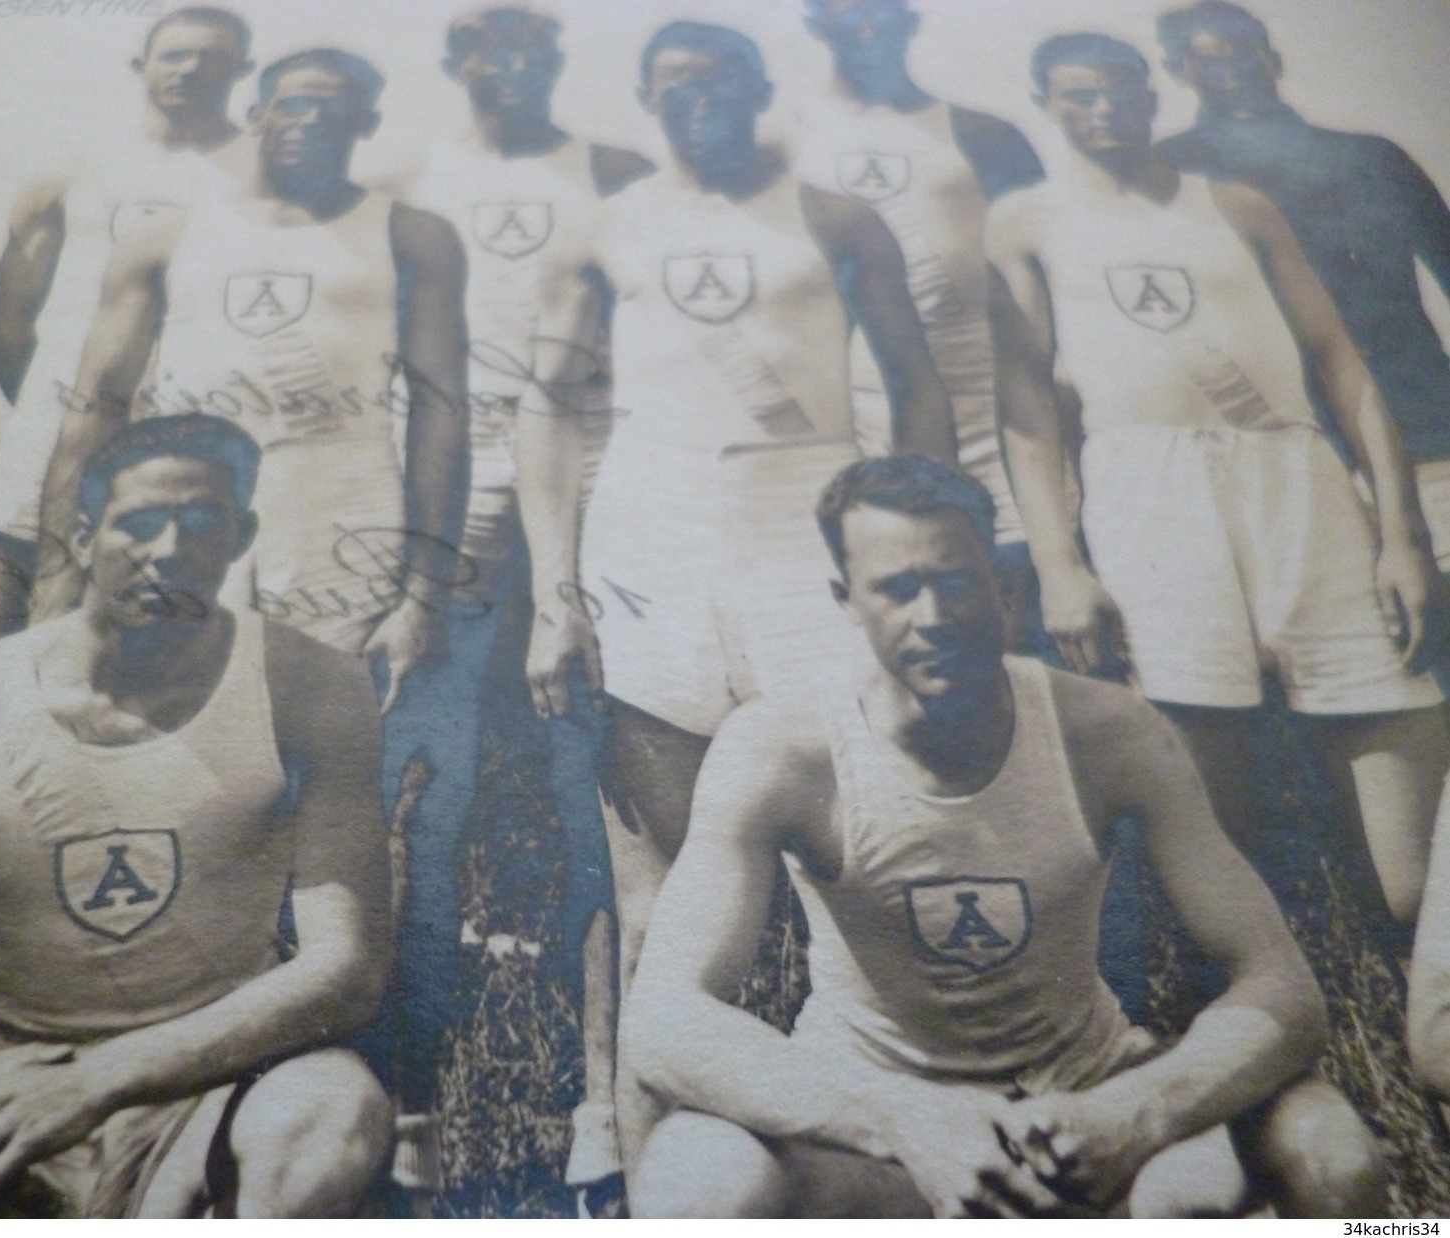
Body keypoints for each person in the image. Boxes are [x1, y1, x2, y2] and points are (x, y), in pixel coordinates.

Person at [624, 454, 1384, 1218]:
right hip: (877, 1129)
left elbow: (1284, 989)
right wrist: (895, 1116)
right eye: (895, 589)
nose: (932, 616)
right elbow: (663, 1022)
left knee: (1327, 1154)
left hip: (1084, 1112)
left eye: (954, 579)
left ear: (1005, 584)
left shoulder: (1107, 732)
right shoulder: (781, 749)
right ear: (844, 600)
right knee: (697, 1176)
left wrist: (1136, 1114)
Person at [519, 19, 954, 1165]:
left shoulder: (837, 216)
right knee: (652, 874)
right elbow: (549, 411)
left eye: (718, 83)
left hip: (805, 543)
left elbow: (914, 384)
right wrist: (551, 593)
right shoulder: (603, 231)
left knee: (856, 843)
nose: (695, 103)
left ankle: (886, 1128)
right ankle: (622, 1129)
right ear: (645, 100)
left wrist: (915, 548)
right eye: (672, 89)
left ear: (760, 90)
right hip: (651, 548)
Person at [0, 414, 394, 1218]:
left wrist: (100, 1080)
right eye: (139, 525)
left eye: (201, 524)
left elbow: (346, 972)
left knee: (334, 1111)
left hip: (199, 1084)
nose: (169, 552)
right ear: (85, 538)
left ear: (242, 535)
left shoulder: (309, 687)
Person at [986, 33, 1450, 926]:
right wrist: (1059, 564)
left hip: (1292, 475)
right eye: (1078, 97)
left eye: (1120, 91)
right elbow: (1030, 415)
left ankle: (1407, 965)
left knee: (1404, 878)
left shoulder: (1235, 204)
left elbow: (1342, 367)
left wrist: (1398, 538)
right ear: (1046, 105)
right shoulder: (1025, 222)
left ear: (1152, 94)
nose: (1103, 112)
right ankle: (1266, 986)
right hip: (1146, 491)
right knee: (1208, 823)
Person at [386, 6, 651, 1197]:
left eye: (530, 43)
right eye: (483, 43)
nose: (509, 63)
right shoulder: (405, 177)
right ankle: (407, 1098)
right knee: (416, 780)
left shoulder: (616, 175)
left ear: (556, 58)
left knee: (586, 789)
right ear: (453, 63)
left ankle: (605, 1095)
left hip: (581, 468)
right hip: (447, 469)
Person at [33, 46, 468, 683]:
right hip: (192, 501)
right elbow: (95, 403)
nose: (311, 121)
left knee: (324, 718)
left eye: (335, 108)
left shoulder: (412, 235)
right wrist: (56, 574)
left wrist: (424, 596)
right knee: (169, 710)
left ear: (366, 124)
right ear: (256, 113)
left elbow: (441, 416)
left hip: (343, 504)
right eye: (294, 104)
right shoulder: (167, 234)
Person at [0, 6, 254, 658]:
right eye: (176, 53)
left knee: (152, 658)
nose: (192, 68)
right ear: (140, 65)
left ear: (244, 70)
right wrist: (68, 405)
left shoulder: (261, 176)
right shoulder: (74, 169)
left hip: (190, 439)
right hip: (56, 428)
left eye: (213, 56)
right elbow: (8, 324)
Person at [1154, 2, 1450, 592]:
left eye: (1242, 49)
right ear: (1175, 69)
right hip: (1281, 451)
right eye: (1206, 58)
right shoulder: (1166, 173)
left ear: (1275, 58)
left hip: (1424, 431)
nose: (1230, 69)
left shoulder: (1372, 159)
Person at [794, 0, 1048, 651]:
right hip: (853, 428)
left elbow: (1046, 276)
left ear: (910, 18)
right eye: (847, 14)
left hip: (989, 427)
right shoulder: (787, 137)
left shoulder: (980, 133)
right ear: (815, 23)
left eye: (881, 10)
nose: (867, 28)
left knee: (1015, 640)